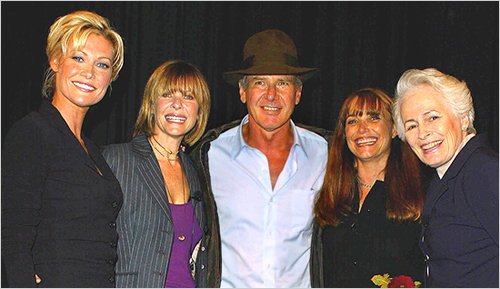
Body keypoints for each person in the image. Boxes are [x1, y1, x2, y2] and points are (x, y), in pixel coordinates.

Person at [190, 29, 330, 287]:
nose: (271, 95)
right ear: (243, 91)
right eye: (260, 82)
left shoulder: (326, 153)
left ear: (298, 94)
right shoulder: (207, 156)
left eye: (283, 83)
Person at [1, 10, 124, 287]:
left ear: (110, 78)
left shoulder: (92, 151)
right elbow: (12, 240)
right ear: (56, 61)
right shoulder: (32, 133)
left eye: (102, 65)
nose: (89, 72)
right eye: (78, 58)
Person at [102, 60, 216, 288]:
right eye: (167, 94)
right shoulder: (118, 160)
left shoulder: (197, 172)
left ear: (199, 111)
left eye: (188, 97)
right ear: (152, 103)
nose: (177, 105)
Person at [392, 68, 499, 287]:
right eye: (411, 125)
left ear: (463, 118)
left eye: (432, 117)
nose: (422, 133)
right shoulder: (444, 177)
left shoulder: (486, 172)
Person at [311, 88, 425, 287]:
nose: (362, 129)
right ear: (344, 133)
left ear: (394, 129)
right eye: (353, 121)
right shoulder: (331, 192)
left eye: (374, 118)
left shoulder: (421, 193)